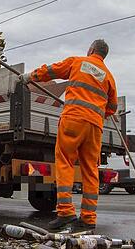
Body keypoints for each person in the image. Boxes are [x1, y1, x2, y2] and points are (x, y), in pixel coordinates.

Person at [27, 39, 118, 232]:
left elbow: (51, 71)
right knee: (91, 170)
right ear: (104, 55)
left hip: (73, 120)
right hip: (94, 126)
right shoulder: (108, 76)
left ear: (91, 49)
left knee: (65, 163)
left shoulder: (77, 62)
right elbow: (112, 107)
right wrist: (96, 111)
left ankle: (66, 212)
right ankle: (88, 218)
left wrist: (29, 76)